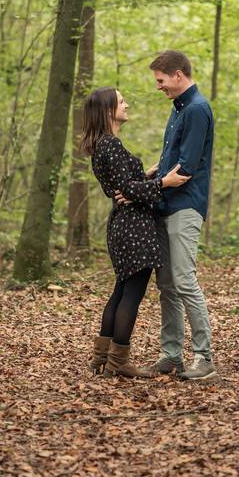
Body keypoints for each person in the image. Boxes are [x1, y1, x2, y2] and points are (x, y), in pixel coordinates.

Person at [118, 50, 217, 382]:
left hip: (185, 206)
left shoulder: (198, 109)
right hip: (164, 205)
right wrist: (143, 182)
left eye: (161, 80)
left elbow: (186, 168)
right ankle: (171, 355)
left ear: (178, 75)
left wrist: (148, 188)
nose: (158, 86)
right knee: (168, 286)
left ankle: (204, 359)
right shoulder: (179, 110)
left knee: (185, 280)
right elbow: (168, 162)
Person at [81, 87, 190, 378]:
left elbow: (126, 185)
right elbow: (127, 190)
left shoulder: (102, 145)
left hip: (123, 226)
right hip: (134, 228)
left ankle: (101, 358)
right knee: (131, 295)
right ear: (107, 111)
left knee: (120, 292)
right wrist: (164, 183)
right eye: (121, 101)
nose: (126, 104)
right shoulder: (111, 145)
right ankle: (119, 363)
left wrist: (148, 175)